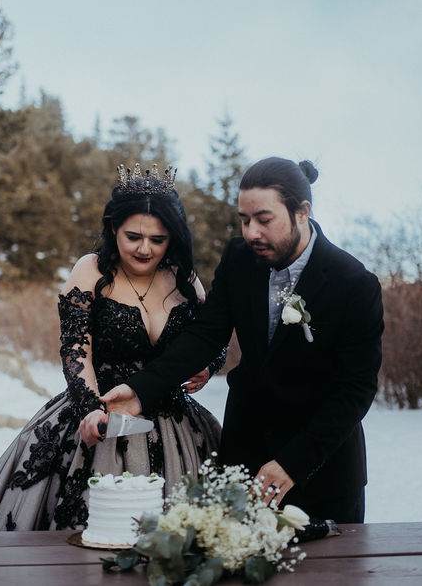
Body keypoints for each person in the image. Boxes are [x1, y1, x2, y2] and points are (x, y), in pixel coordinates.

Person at [92, 157, 383, 523]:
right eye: (244, 220)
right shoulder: (239, 259)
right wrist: (139, 390)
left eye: (263, 220)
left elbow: (356, 388)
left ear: (301, 212)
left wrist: (293, 463)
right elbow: (206, 335)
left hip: (323, 472)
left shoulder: (354, 283)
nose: (250, 233)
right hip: (244, 457)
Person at [0, 164, 223, 532]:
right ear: (113, 229)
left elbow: (211, 338)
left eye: (158, 240)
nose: (145, 249)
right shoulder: (91, 269)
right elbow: (76, 348)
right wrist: (91, 409)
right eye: (133, 237)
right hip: (100, 412)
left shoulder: (185, 278)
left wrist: (208, 365)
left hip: (177, 426)